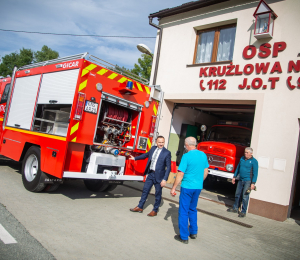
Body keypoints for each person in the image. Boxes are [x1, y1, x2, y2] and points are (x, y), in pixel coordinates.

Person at [170, 137, 209, 244]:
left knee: (183, 211)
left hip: (187, 187)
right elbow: (206, 171)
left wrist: (173, 188)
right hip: (197, 187)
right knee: (192, 209)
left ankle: (183, 236)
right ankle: (193, 232)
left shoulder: (186, 156)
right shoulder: (203, 155)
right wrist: (199, 181)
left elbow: (180, 173)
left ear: (186, 145)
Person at [129, 136, 171, 216]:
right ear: (156, 142)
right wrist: (135, 158)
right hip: (151, 174)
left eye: (162, 142)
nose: (161, 144)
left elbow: (168, 167)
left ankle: (155, 210)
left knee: (158, 193)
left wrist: (164, 179)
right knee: (145, 190)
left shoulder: (167, 153)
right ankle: (140, 207)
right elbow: (145, 155)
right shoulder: (153, 149)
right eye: (159, 142)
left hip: (159, 176)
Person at [227, 147, 258, 218]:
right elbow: (238, 168)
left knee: (245, 196)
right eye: (245, 152)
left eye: (247, 152)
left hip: (248, 181)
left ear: (251, 153)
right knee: (237, 194)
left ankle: (243, 211)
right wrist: (234, 177)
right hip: (241, 180)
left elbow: (255, 173)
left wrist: (253, 183)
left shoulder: (254, 161)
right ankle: (235, 208)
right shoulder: (242, 159)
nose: (245, 154)